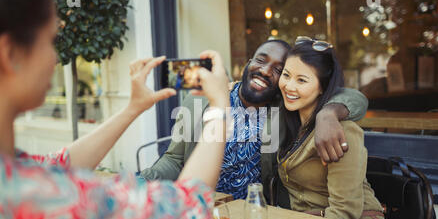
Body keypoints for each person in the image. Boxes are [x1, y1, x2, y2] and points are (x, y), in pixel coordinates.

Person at [0, 0, 231, 219]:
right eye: (50, 41)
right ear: (11, 55)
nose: (55, 58)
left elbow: (57, 165)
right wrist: (221, 107)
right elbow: (181, 217)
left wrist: (132, 109)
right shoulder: (38, 201)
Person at [141, 40, 369, 200]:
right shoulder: (201, 102)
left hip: (258, 212)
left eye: (279, 70)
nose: (265, 71)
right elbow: (174, 159)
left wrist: (328, 113)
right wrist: (142, 182)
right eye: (261, 60)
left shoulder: (286, 110)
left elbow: (355, 98)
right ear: (249, 63)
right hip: (205, 206)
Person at [275, 37, 388, 219]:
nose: (289, 86)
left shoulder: (340, 131)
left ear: (322, 88)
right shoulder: (292, 123)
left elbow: (344, 212)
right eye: (286, 75)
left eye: (301, 80)